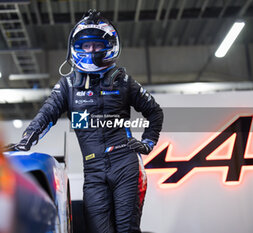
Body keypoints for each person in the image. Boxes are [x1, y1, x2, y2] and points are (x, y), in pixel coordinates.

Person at [13, 9, 163, 233]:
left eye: (97, 45)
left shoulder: (124, 82)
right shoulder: (68, 85)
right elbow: (47, 113)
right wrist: (26, 139)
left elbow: (155, 113)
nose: (91, 50)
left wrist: (148, 143)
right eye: (86, 45)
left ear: (108, 46)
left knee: (126, 230)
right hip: (93, 170)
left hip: (126, 165)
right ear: (77, 48)